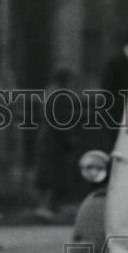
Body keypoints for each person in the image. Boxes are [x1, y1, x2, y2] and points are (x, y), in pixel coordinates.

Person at [34, 67, 77, 221]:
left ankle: (45, 206)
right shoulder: (61, 96)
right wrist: (69, 139)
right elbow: (61, 120)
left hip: (47, 137)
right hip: (55, 141)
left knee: (48, 174)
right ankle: (46, 207)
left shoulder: (50, 93)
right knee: (53, 175)